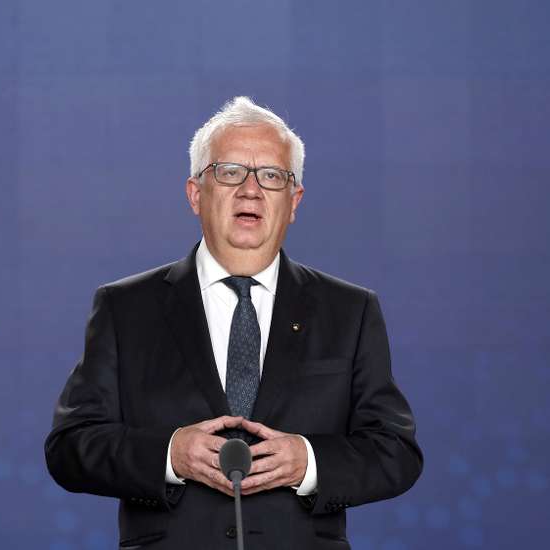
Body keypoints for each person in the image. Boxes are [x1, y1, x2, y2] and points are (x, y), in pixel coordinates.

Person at [44, 96, 422, 549]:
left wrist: (308, 461)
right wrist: (169, 455)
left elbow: (395, 452)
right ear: (195, 194)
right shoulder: (125, 308)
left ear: (294, 199)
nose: (251, 189)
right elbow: (70, 447)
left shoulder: (350, 311)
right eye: (229, 172)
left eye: (271, 176)